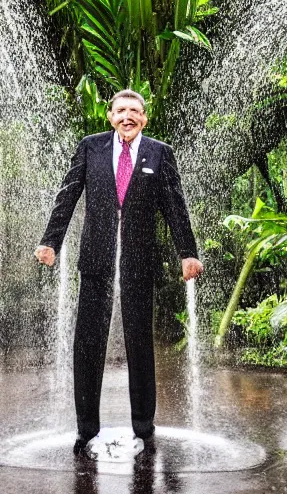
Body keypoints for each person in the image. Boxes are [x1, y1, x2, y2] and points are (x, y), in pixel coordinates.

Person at [34, 89, 203, 454]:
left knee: (140, 343)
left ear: (144, 117)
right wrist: (51, 241)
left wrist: (187, 253)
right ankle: (86, 428)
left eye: (135, 111)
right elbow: (68, 195)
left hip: (140, 262)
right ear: (110, 115)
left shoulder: (159, 153)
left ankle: (143, 426)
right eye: (121, 110)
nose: (128, 117)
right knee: (88, 344)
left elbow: (175, 205)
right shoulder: (91, 147)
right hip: (96, 259)